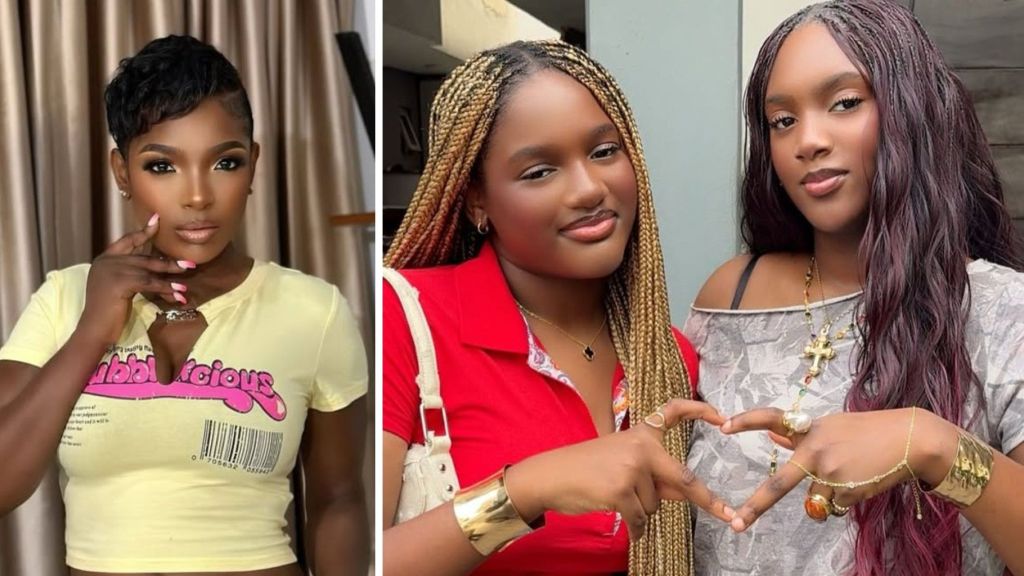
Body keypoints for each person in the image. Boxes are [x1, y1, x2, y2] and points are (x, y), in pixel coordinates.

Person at [0, 35, 369, 576]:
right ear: (122, 173)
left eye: (225, 162)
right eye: (162, 167)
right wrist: (92, 332)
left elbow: (339, 501)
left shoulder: (314, 311)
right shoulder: (63, 299)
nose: (198, 196)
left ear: (253, 166)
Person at [684, 2, 1024, 574]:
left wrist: (932, 445)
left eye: (844, 103)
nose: (807, 141)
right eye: (781, 120)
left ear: (910, 110)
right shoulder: (733, 292)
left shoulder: (997, 308)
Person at [382, 40, 731, 576]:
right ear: (477, 199)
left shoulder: (666, 356)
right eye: (539, 171)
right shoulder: (401, 317)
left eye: (603, 151)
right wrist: (527, 489)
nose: (590, 188)